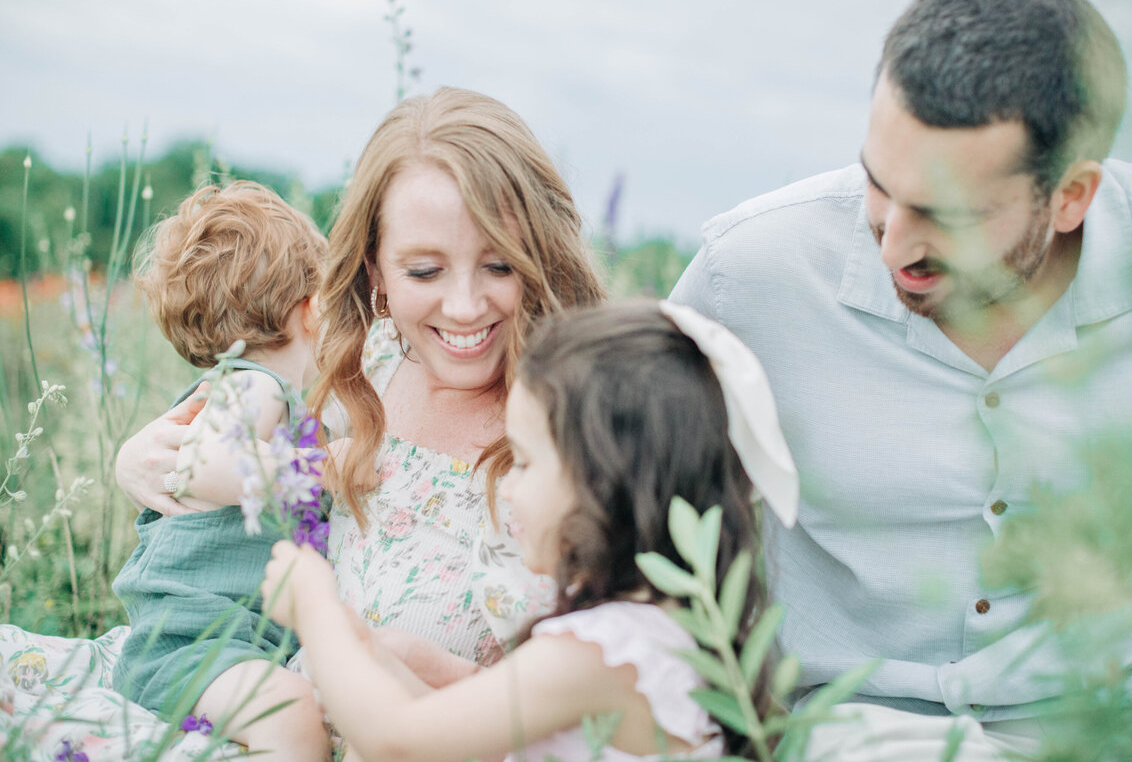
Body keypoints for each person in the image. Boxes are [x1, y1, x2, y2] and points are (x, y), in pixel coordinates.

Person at [670, 0, 1132, 759]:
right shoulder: (745, 274)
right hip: (845, 732)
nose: (894, 243)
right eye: (880, 186)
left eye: (945, 214)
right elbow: (620, 496)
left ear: (1070, 197)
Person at [115, 86, 607, 675]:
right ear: (374, 266)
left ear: (542, 256)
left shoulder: (584, 426)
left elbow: (591, 696)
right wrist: (136, 459)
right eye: (424, 270)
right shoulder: (359, 370)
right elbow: (216, 461)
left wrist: (430, 673)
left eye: (499, 263)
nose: (465, 306)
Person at [259, 300, 801, 762]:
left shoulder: (599, 652)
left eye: (522, 462)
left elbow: (395, 740)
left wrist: (316, 609)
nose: (508, 489)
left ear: (602, 483)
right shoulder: (668, 628)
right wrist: (417, 666)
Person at [112, 180, 329, 761]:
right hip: (185, 647)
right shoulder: (257, 385)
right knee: (291, 714)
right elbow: (206, 464)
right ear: (312, 307)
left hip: (212, 644)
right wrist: (319, 472)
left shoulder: (252, 392)